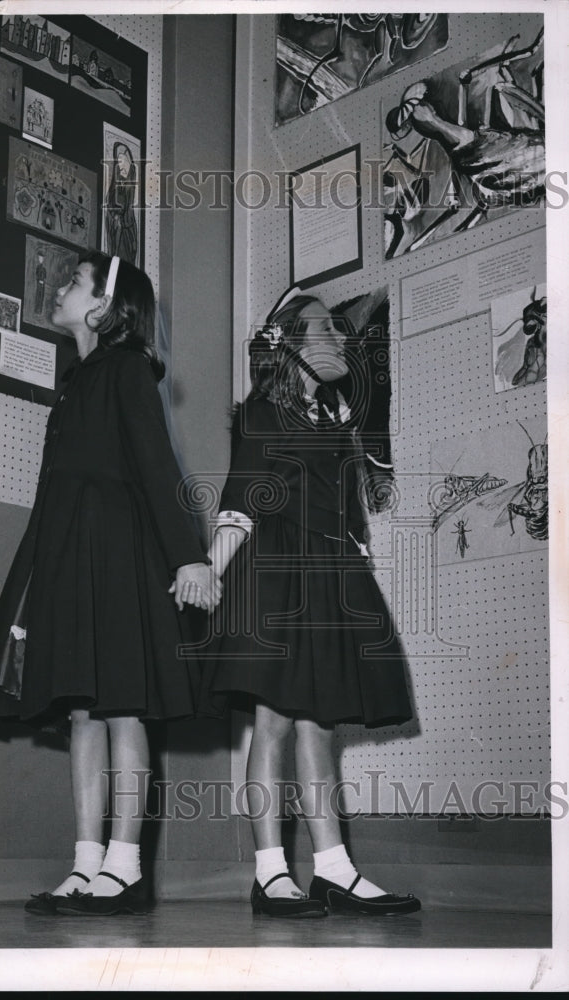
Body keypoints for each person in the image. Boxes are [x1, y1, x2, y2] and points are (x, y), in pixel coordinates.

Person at [0, 253, 220, 916]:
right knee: (83, 712)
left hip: (120, 557)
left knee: (121, 706)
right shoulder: (77, 380)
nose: (62, 287)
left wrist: (189, 559)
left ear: (106, 308)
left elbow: (157, 468)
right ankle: (85, 865)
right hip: (72, 557)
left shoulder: (127, 369)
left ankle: (125, 868)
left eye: (75, 281)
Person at [196, 287, 421, 918]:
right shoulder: (262, 414)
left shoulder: (337, 419)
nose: (342, 338)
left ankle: (334, 870)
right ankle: (270, 874)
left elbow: (351, 520)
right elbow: (240, 503)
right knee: (272, 724)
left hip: (331, 576)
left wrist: (357, 580)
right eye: (326, 329)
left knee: (319, 727)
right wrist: (209, 572)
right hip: (277, 579)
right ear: (290, 347)